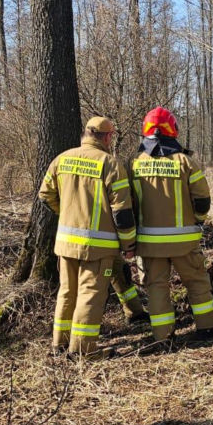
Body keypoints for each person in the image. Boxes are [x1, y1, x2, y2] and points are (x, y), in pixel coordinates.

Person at [39, 116, 136, 359]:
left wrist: (65, 212)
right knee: (90, 294)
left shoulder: (61, 159)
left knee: (67, 291)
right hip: (98, 248)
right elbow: (122, 213)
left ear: (86, 134)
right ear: (107, 137)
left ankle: (59, 344)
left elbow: (45, 194)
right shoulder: (110, 164)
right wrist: (128, 244)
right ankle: (83, 350)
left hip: (65, 244)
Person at [131, 106, 213, 344]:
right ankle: (207, 327)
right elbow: (202, 199)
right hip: (184, 240)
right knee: (197, 282)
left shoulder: (134, 164)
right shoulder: (185, 162)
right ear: (172, 129)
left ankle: (163, 336)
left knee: (156, 286)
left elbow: (127, 203)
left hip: (150, 242)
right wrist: (198, 221)